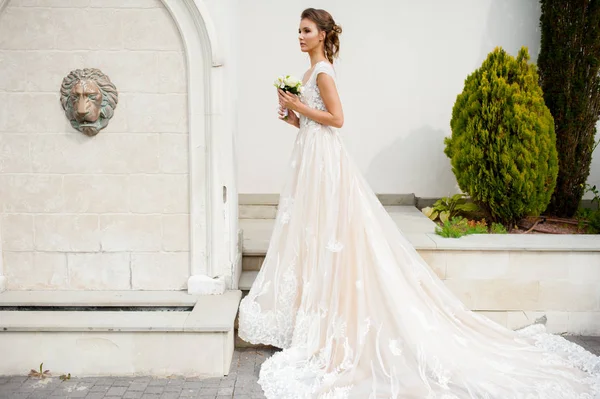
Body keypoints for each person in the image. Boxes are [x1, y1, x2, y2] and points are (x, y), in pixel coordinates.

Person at [238, 7, 600, 399]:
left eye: (307, 30)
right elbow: (313, 121)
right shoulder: (309, 74)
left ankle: (333, 323)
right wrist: (291, 116)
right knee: (314, 232)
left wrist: (299, 108)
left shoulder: (323, 71)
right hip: (309, 155)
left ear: (323, 35)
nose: (300, 36)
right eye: (298, 30)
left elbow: (338, 119)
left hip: (326, 161)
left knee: (332, 233)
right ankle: (312, 318)